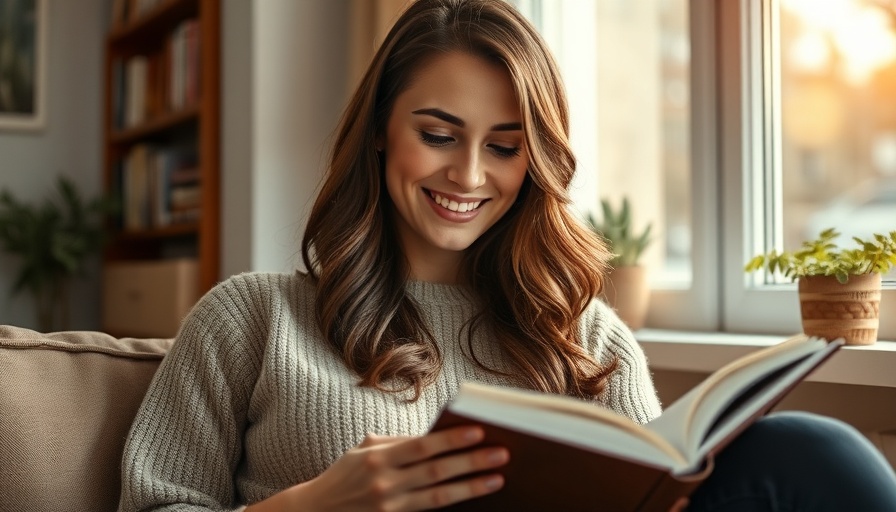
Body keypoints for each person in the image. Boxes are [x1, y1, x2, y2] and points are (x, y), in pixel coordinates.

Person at [119, 0, 896, 510]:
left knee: (809, 451)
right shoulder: (252, 318)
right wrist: (313, 506)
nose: (468, 175)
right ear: (381, 130)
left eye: (504, 147)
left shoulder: (586, 336)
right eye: (437, 134)